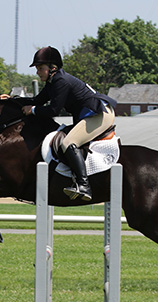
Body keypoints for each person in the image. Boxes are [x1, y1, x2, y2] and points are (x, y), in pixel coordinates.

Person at [18, 46, 117, 201]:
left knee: (68, 142)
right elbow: (36, 101)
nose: (37, 72)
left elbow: (53, 110)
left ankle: (84, 185)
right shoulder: (53, 81)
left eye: (40, 68)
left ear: (53, 68)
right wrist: (10, 101)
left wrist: (34, 111)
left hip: (100, 114)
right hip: (92, 113)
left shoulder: (60, 81)